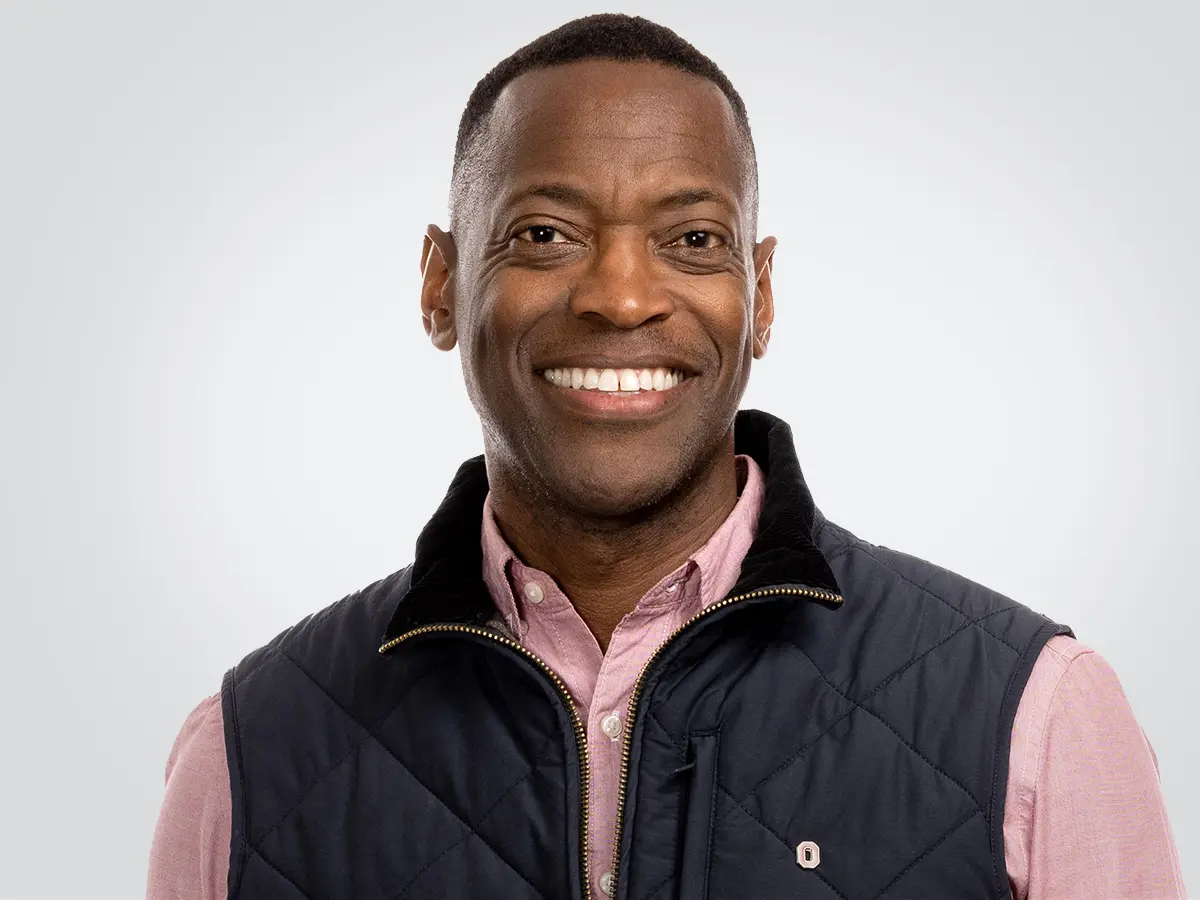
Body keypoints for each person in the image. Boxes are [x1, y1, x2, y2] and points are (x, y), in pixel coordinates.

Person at [147, 13, 1185, 900]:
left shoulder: (1036, 718)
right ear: (440, 285)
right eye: (546, 234)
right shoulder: (248, 754)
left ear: (760, 297)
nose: (623, 295)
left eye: (692, 240)